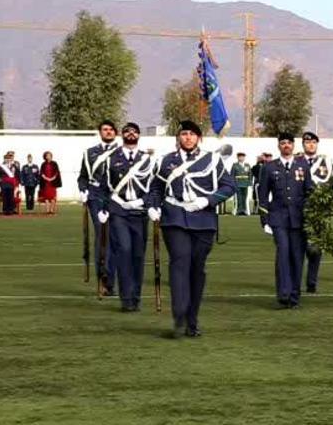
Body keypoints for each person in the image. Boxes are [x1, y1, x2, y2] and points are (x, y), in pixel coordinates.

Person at [147, 120, 234, 338]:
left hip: (203, 220)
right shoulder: (166, 161)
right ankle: (179, 316)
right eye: (184, 134)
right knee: (179, 262)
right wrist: (152, 206)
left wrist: (208, 201)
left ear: (198, 138)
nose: (187, 137)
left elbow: (229, 186)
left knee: (197, 270)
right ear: (179, 137)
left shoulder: (212, 160)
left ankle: (191, 320)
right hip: (174, 218)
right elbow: (155, 188)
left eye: (192, 134)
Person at [97, 122, 153, 312]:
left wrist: (147, 203)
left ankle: (135, 297)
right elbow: (103, 187)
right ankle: (126, 298)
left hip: (139, 212)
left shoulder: (148, 160)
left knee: (138, 255)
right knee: (124, 250)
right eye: (127, 131)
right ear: (122, 135)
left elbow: (155, 188)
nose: (131, 134)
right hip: (118, 211)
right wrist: (103, 208)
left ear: (139, 135)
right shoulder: (111, 158)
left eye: (134, 131)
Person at [258, 132, 313, 309]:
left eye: (289, 143)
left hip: (299, 218)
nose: (286, 146)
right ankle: (283, 294)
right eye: (283, 143)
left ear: (293, 145)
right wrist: (265, 220)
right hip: (278, 218)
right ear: (278, 146)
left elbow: (309, 191)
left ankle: (294, 297)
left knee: (297, 257)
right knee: (283, 253)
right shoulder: (269, 167)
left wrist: (313, 215)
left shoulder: (302, 166)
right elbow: (263, 195)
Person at [78, 120, 119, 293]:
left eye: (111, 130)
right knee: (102, 236)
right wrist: (82, 190)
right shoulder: (90, 153)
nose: (108, 132)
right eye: (105, 129)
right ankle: (104, 279)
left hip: (116, 197)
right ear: (100, 132)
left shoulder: (122, 152)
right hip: (96, 196)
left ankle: (111, 280)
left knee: (115, 239)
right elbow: (83, 176)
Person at [301, 131, 333, 294]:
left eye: (313, 142)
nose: (311, 145)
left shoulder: (326, 162)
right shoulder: (297, 161)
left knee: (316, 249)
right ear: (303, 145)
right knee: (300, 247)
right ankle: (295, 280)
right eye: (307, 142)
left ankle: (312, 282)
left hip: (320, 211)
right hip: (300, 209)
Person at [0, 151, 20, 215]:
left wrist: (18, 182)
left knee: (11, 197)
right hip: (4, 184)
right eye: (6, 158)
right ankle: (5, 210)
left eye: (8, 158)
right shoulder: (1, 166)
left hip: (11, 184)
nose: (7, 159)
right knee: (5, 197)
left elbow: (17, 174)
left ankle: (10, 210)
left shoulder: (14, 166)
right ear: (4, 159)